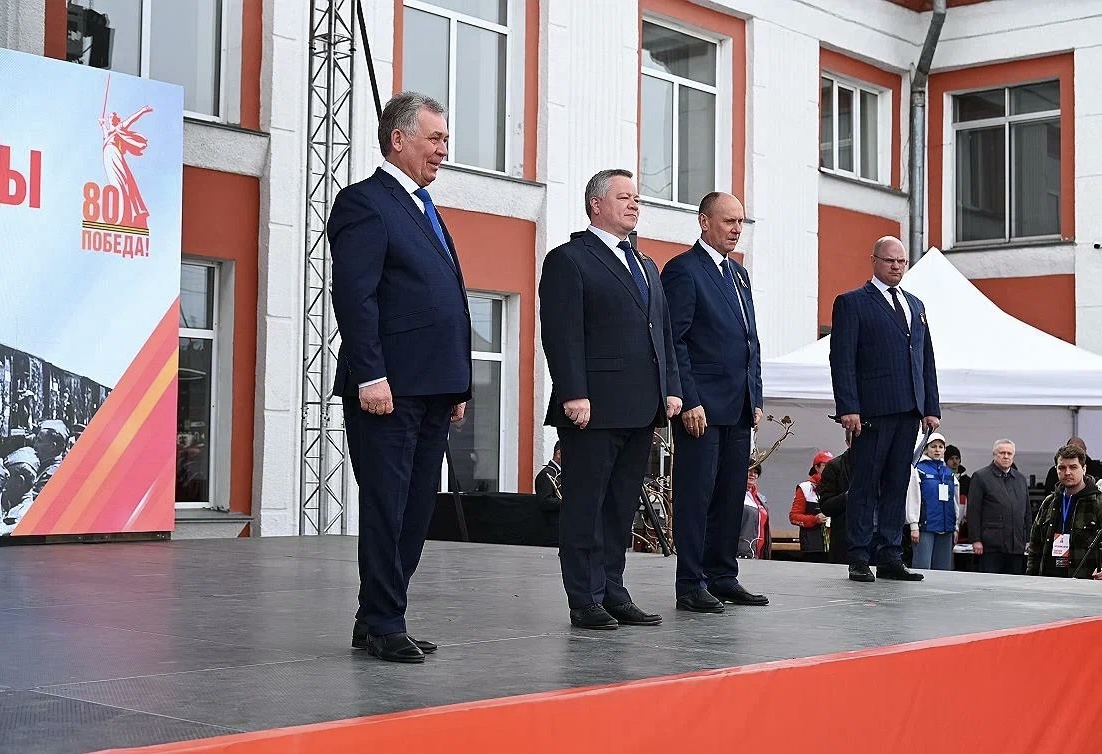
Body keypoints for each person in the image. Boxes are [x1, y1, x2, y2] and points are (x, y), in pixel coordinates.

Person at [327, 92, 472, 664]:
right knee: (388, 508)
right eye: (434, 138)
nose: (443, 150)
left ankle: (377, 616)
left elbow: (444, 300)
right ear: (398, 139)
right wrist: (370, 374)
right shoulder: (365, 202)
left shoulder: (423, 206)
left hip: (432, 388)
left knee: (415, 511)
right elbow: (355, 297)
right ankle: (386, 622)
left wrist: (457, 385)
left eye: (444, 139)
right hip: (388, 390)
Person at [539, 168, 682, 630]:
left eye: (636, 197)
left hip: (641, 407)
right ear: (596, 204)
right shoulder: (569, 259)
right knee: (586, 506)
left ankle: (613, 590)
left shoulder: (646, 264)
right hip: (593, 408)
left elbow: (662, 334)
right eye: (624, 197)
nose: (634, 204)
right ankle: (584, 597)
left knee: (621, 507)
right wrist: (573, 392)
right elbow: (561, 334)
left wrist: (671, 388)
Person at [659, 191, 768, 613]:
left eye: (741, 222)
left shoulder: (739, 274)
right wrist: (688, 399)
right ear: (704, 222)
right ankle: (690, 583)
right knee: (696, 496)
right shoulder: (684, 270)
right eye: (728, 221)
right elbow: (676, 341)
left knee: (729, 496)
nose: (736, 229)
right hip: (701, 408)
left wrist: (755, 394)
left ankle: (723, 576)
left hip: (738, 407)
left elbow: (750, 340)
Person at [829, 236, 940, 583]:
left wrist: (931, 407)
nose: (896, 266)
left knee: (897, 484)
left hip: (909, 410)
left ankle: (891, 555)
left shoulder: (915, 304)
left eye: (902, 261)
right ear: (874, 260)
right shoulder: (852, 302)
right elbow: (842, 359)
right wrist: (848, 407)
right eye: (890, 260)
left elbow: (925, 359)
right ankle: (860, 556)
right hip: (872, 411)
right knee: (865, 485)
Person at [1027, 445, 1102, 578]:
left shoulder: (1098, 502)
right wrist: (1030, 578)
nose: (1067, 472)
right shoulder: (1049, 503)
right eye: (1062, 468)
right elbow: (1035, 546)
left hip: (1085, 581)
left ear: (1084, 469)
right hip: (1048, 580)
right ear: (1056, 469)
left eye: (1073, 467)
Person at [967, 439, 1031, 575]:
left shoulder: (1020, 479)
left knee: (1014, 583)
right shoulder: (981, 477)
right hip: (991, 545)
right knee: (991, 583)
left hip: (1016, 545)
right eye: (1002, 453)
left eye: (1009, 453)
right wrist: (975, 539)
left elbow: (1027, 512)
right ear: (994, 454)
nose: (1006, 456)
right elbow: (973, 511)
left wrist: (1028, 539)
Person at [912, 432, 958, 570]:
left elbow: (955, 501)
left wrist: (955, 527)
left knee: (944, 570)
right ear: (926, 448)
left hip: (946, 527)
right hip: (925, 527)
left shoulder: (949, 473)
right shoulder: (919, 470)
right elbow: (913, 498)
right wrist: (914, 525)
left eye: (940, 447)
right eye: (933, 446)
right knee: (923, 567)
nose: (937, 450)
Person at [789, 451, 833, 563]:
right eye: (825, 466)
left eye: (831, 466)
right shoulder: (805, 488)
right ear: (817, 467)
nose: (829, 469)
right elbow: (793, 517)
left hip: (834, 545)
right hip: (812, 546)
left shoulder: (835, 487)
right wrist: (814, 519)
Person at [818, 432, 854, 565]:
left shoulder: (878, 466)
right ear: (848, 443)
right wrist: (849, 496)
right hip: (844, 540)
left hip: (874, 539)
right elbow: (826, 506)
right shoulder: (835, 466)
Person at [739, 463, 771, 560]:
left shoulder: (760, 498)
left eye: (756, 472)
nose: (752, 474)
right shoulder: (732, 495)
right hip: (740, 551)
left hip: (758, 551)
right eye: (749, 470)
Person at [534, 441, 563, 507]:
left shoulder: (560, 473)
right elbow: (545, 502)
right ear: (559, 454)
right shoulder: (545, 474)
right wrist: (569, 502)